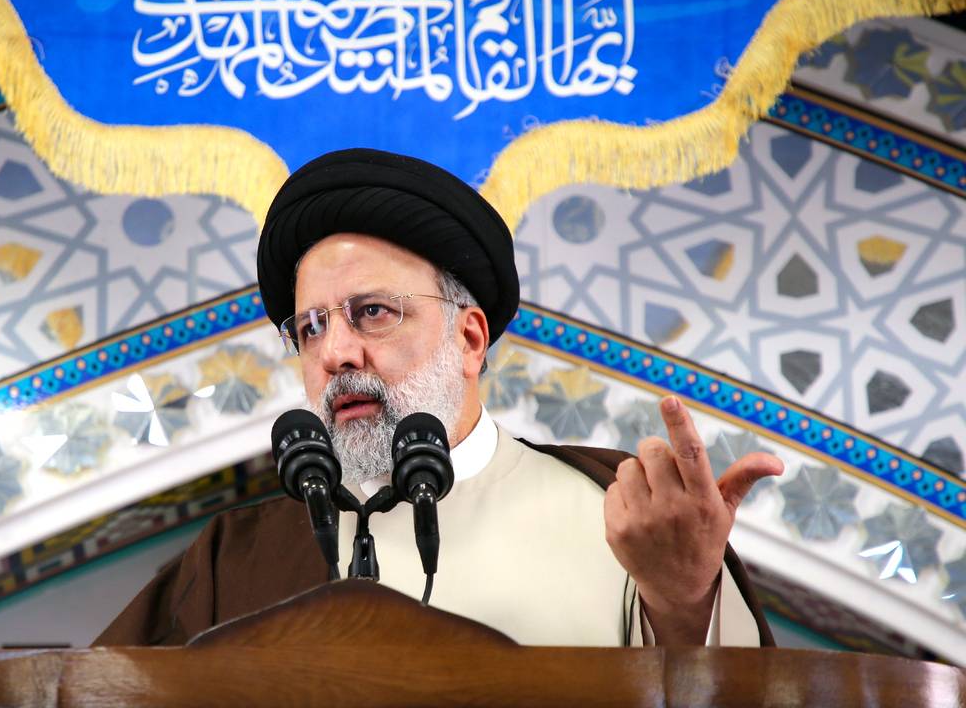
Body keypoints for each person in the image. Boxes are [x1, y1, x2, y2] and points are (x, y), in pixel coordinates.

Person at [95, 148, 783, 647]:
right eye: (311, 328)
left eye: (372, 312)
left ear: (470, 338)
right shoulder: (237, 557)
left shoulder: (617, 511)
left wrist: (685, 600)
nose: (335, 354)